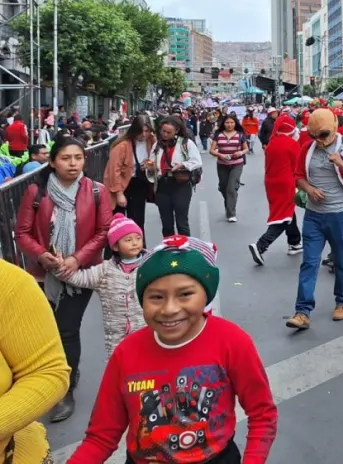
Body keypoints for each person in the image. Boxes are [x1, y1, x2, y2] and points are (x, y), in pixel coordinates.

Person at [66, 236, 278, 464]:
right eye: (156, 297)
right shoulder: (126, 352)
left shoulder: (233, 341)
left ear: (206, 294)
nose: (169, 309)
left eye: (185, 294)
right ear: (142, 299)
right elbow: (101, 436)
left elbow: (262, 415)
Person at [15, 135, 113, 423]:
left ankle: (64, 390)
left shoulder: (96, 191)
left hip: (79, 274)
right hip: (44, 275)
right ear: (53, 160)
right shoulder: (36, 192)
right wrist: (43, 256)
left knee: (67, 329)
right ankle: (55, 374)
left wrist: (76, 259)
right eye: (66, 158)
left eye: (78, 158)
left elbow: (103, 230)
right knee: (46, 331)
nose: (73, 164)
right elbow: (22, 233)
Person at [285, 108, 343, 330]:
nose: (319, 140)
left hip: (340, 214)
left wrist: (340, 163)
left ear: (335, 127)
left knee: (341, 260)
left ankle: (342, 301)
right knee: (309, 262)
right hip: (313, 216)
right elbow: (298, 176)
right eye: (314, 135)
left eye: (323, 135)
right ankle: (302, 312)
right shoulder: (307, 149)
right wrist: (309, 189)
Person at [0, 260, 71, 463]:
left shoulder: (7, 283)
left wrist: (73, 261)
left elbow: (47, 370)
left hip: (12, 453)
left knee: (69, 332)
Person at [64, 215, 147, 356]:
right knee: (119, 370)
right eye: (128, 240)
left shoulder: (149, 265)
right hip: (116, 338)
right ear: (115, 246)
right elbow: (80, 278)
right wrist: (60, 268)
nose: (135, 243)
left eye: (138, 238)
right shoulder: (105, 270)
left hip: (146, 334)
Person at [249, 114, 303, 264]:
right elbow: (298, 166)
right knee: (282, 217)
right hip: (286, 182)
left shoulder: (272, 143)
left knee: (287, 212)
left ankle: (295, 242)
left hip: (271, 182)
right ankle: (261, 245)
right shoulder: (291, 144)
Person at [145, 115, 203, 238]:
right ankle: (169, 250)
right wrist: (150, 169)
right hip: (162, 185)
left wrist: (182, 165)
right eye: (163, 131)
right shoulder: (157, 145)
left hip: (181, 185)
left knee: (182, 222)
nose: (165, 134)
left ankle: (185, 251)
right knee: (166, 224)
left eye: (168, 132)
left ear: (176, 131)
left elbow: (197, 161)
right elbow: (152, 164)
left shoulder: (186, 143)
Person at [103, 114, 155, 234]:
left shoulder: (151, 141)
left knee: (138, 221)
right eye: (141, 131)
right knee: (118, 222)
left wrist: (149, 164)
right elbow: (114, 170)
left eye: (147, 131)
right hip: (121, 184)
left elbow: (154, 158)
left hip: (139, 183)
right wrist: (119, 193)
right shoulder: (122, 145)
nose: (144, 134)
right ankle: (116, 251)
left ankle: (139, 249)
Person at [210, 114, 249, 224]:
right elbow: (212, 150)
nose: (229, 125)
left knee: (231, 188)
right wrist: (220, 155)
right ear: (224, 123)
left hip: (236, 164)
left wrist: (240, 152)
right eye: (227, 122)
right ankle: (229, 201)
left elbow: (246, 149)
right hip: (222, 164)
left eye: (231, 122)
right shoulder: (218, 134)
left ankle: (231, 213)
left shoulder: (240, 135)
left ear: (235, 123)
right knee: (223, 187)